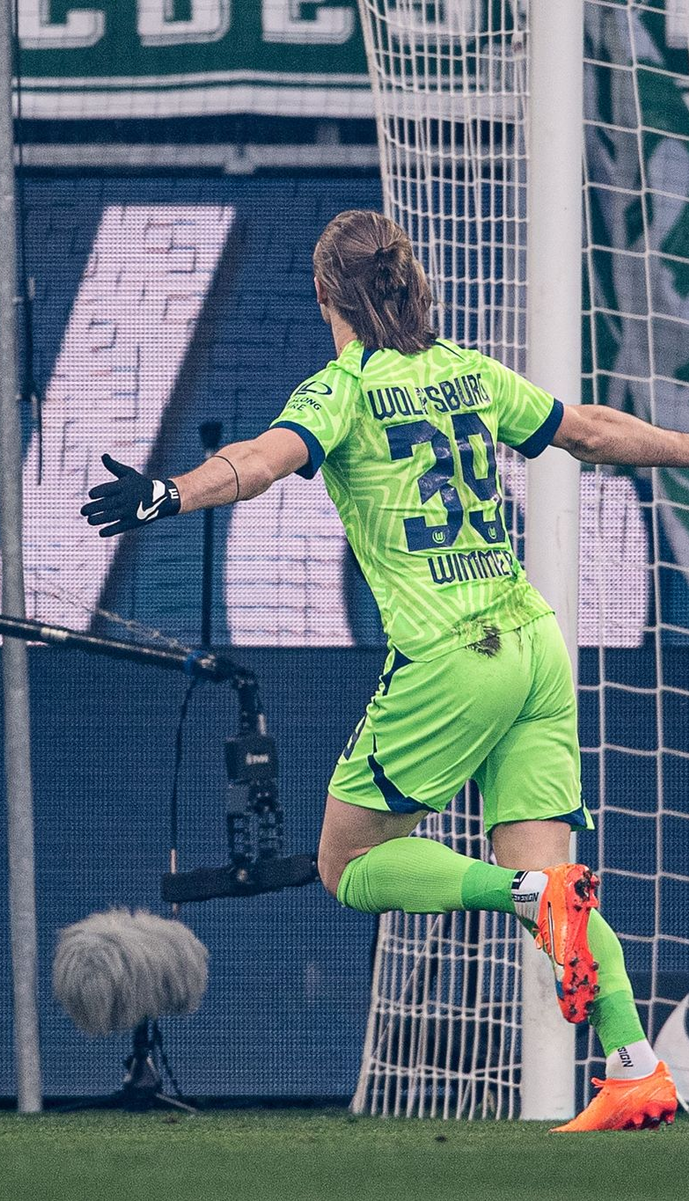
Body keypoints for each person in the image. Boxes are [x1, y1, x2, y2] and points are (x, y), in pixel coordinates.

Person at [82, 208, 684, 1132]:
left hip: (453, 658)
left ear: (324, 291)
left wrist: (169, 492)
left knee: (349, 861)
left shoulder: (344, 388)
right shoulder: (467, 370)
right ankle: (636, 1064)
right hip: (534, 645)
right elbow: (592, 432)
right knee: (556, 876)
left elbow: (260, 461)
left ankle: (528, 895)